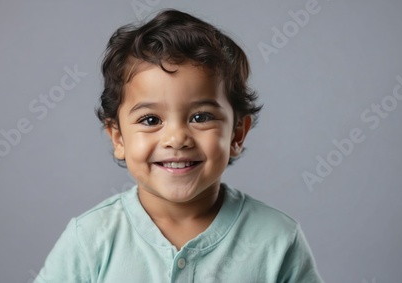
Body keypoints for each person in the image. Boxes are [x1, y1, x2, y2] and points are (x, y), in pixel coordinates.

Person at [34, 9, 324, 283]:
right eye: (150, 120)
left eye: (201, 117)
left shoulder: (278, 240)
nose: (176, 138)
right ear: (118, 137)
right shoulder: (88, 239)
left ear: (237, 134)